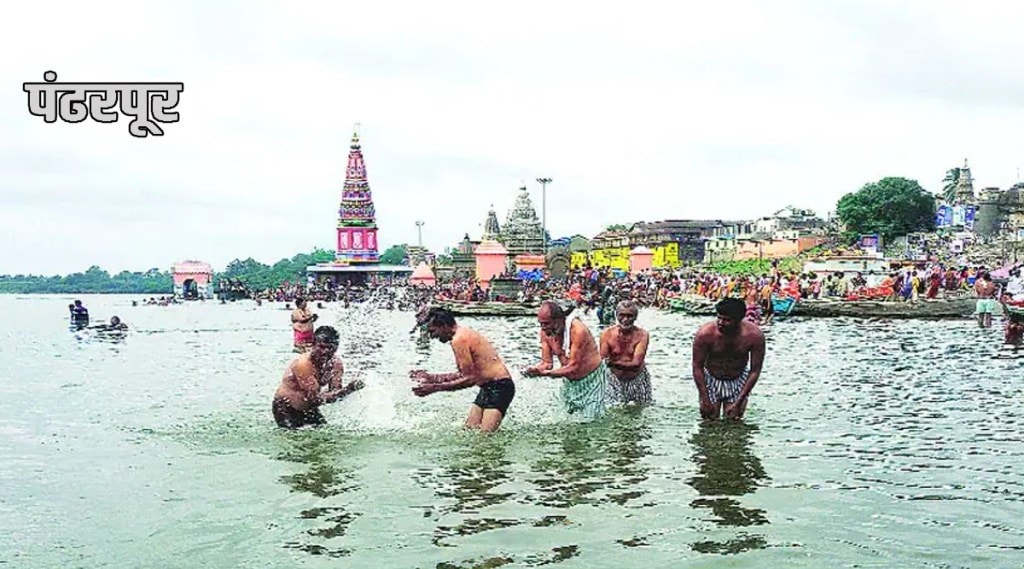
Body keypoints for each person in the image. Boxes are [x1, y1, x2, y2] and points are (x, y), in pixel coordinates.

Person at [409, 308, 515, 432]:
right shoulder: (460, 335)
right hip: (488, 387)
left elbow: (469, 380)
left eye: (433, 331)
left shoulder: (459, 339)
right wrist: (432, 377)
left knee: (485, 438)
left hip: (500, 387)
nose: (432, 336)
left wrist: (435, 388)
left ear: (444, 326)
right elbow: (465, 374)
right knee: (469, 430)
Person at [524, 301, 611, 419]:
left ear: (560, 320)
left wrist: (546, 374)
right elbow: (547, 363)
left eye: (547, 323)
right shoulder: (545, 332)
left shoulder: (578, 331)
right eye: (541, 324)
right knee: (566, 418)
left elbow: (574, 367)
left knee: (591, 420)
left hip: (592, 380)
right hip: (569, 381)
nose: (544, 328)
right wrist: (534, 370)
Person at [272, 326, 364, 429]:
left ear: (336, 347)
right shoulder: (303, 364)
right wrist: (348, 389)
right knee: (297, 441)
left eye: (330, 347)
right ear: (313, 344)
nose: (325, 351)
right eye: (321, 346)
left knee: (327, 439)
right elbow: (315, 399)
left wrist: (350, 389)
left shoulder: (336, 364)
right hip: (286, 408)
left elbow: (335, 393)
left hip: (310, 409)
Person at [691, 298, 766, 420]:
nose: (721, 322)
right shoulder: (705, 334)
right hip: (711, 378)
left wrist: (739, 401)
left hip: (738, 378)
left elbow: (755, 371)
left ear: (739, 320)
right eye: (719, 318)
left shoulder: (754, 336)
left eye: (727, 320)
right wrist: (705, 398)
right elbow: (697, 367)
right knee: (709, 421)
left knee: (734, 421)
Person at [599, 300, 653, 405]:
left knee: (640, 409)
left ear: (635, 317)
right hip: (613, 379)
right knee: (612, 410)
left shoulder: (642, 335)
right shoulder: (606, 334)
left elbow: (636, 364)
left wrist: (612, 363)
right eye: (622, 315)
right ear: (616, 316)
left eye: (629, 316)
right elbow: (602, 362)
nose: (625, 320)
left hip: (637, 378)